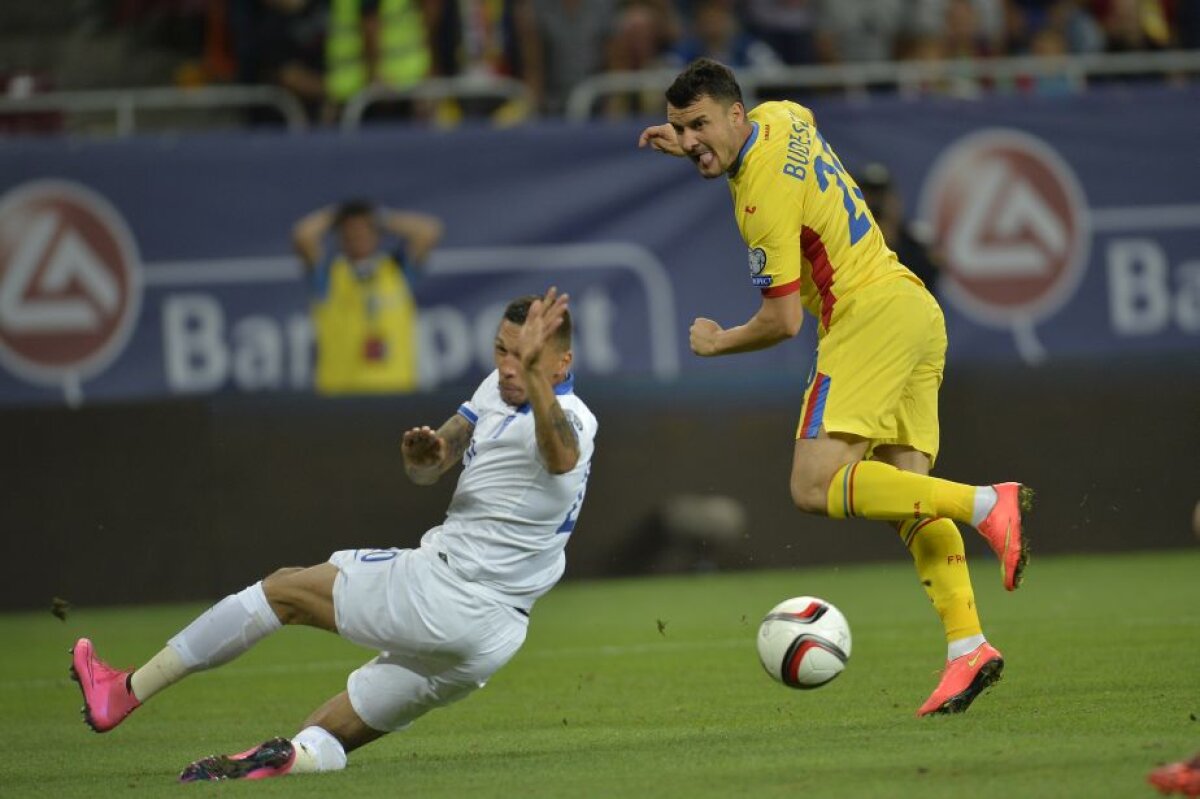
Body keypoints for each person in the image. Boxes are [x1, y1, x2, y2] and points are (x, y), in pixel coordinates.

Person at [69, 289, 598, 781]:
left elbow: (561, 456)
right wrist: (429, 457)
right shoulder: (494, 391)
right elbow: (434, 462)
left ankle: (123, 691)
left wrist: (531, 376)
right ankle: (290, 759)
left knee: (282, 590)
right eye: (502, 350)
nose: (509, 365)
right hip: (489, 637)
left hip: (449, 591)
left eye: (524, 356)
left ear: (562, 363)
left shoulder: (572, 419)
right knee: (328, 731)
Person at [637, 58, 1032, 717]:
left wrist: (719, 341)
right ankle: (968, 645)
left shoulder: (758, 198)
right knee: (906, 498)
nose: (691, 137)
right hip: (914, 306)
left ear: (735, 115)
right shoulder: (781, 115)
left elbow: (784, 321)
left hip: (864, 315)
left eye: (699, 124)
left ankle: (987, 501)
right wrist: (698, 145)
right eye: (681, 127)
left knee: (813, 485)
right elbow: (780, 143)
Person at [292, 199, 443, 395]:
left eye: (365, 229)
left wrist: (382, 218)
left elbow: (429, 231)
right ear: (341, 237)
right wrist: (336, 214)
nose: (358, 235)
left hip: (397, 391)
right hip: (340, 394)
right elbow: (303, 236)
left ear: (376, 234)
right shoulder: (329, 275)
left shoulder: (397, 270)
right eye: (351, 230)